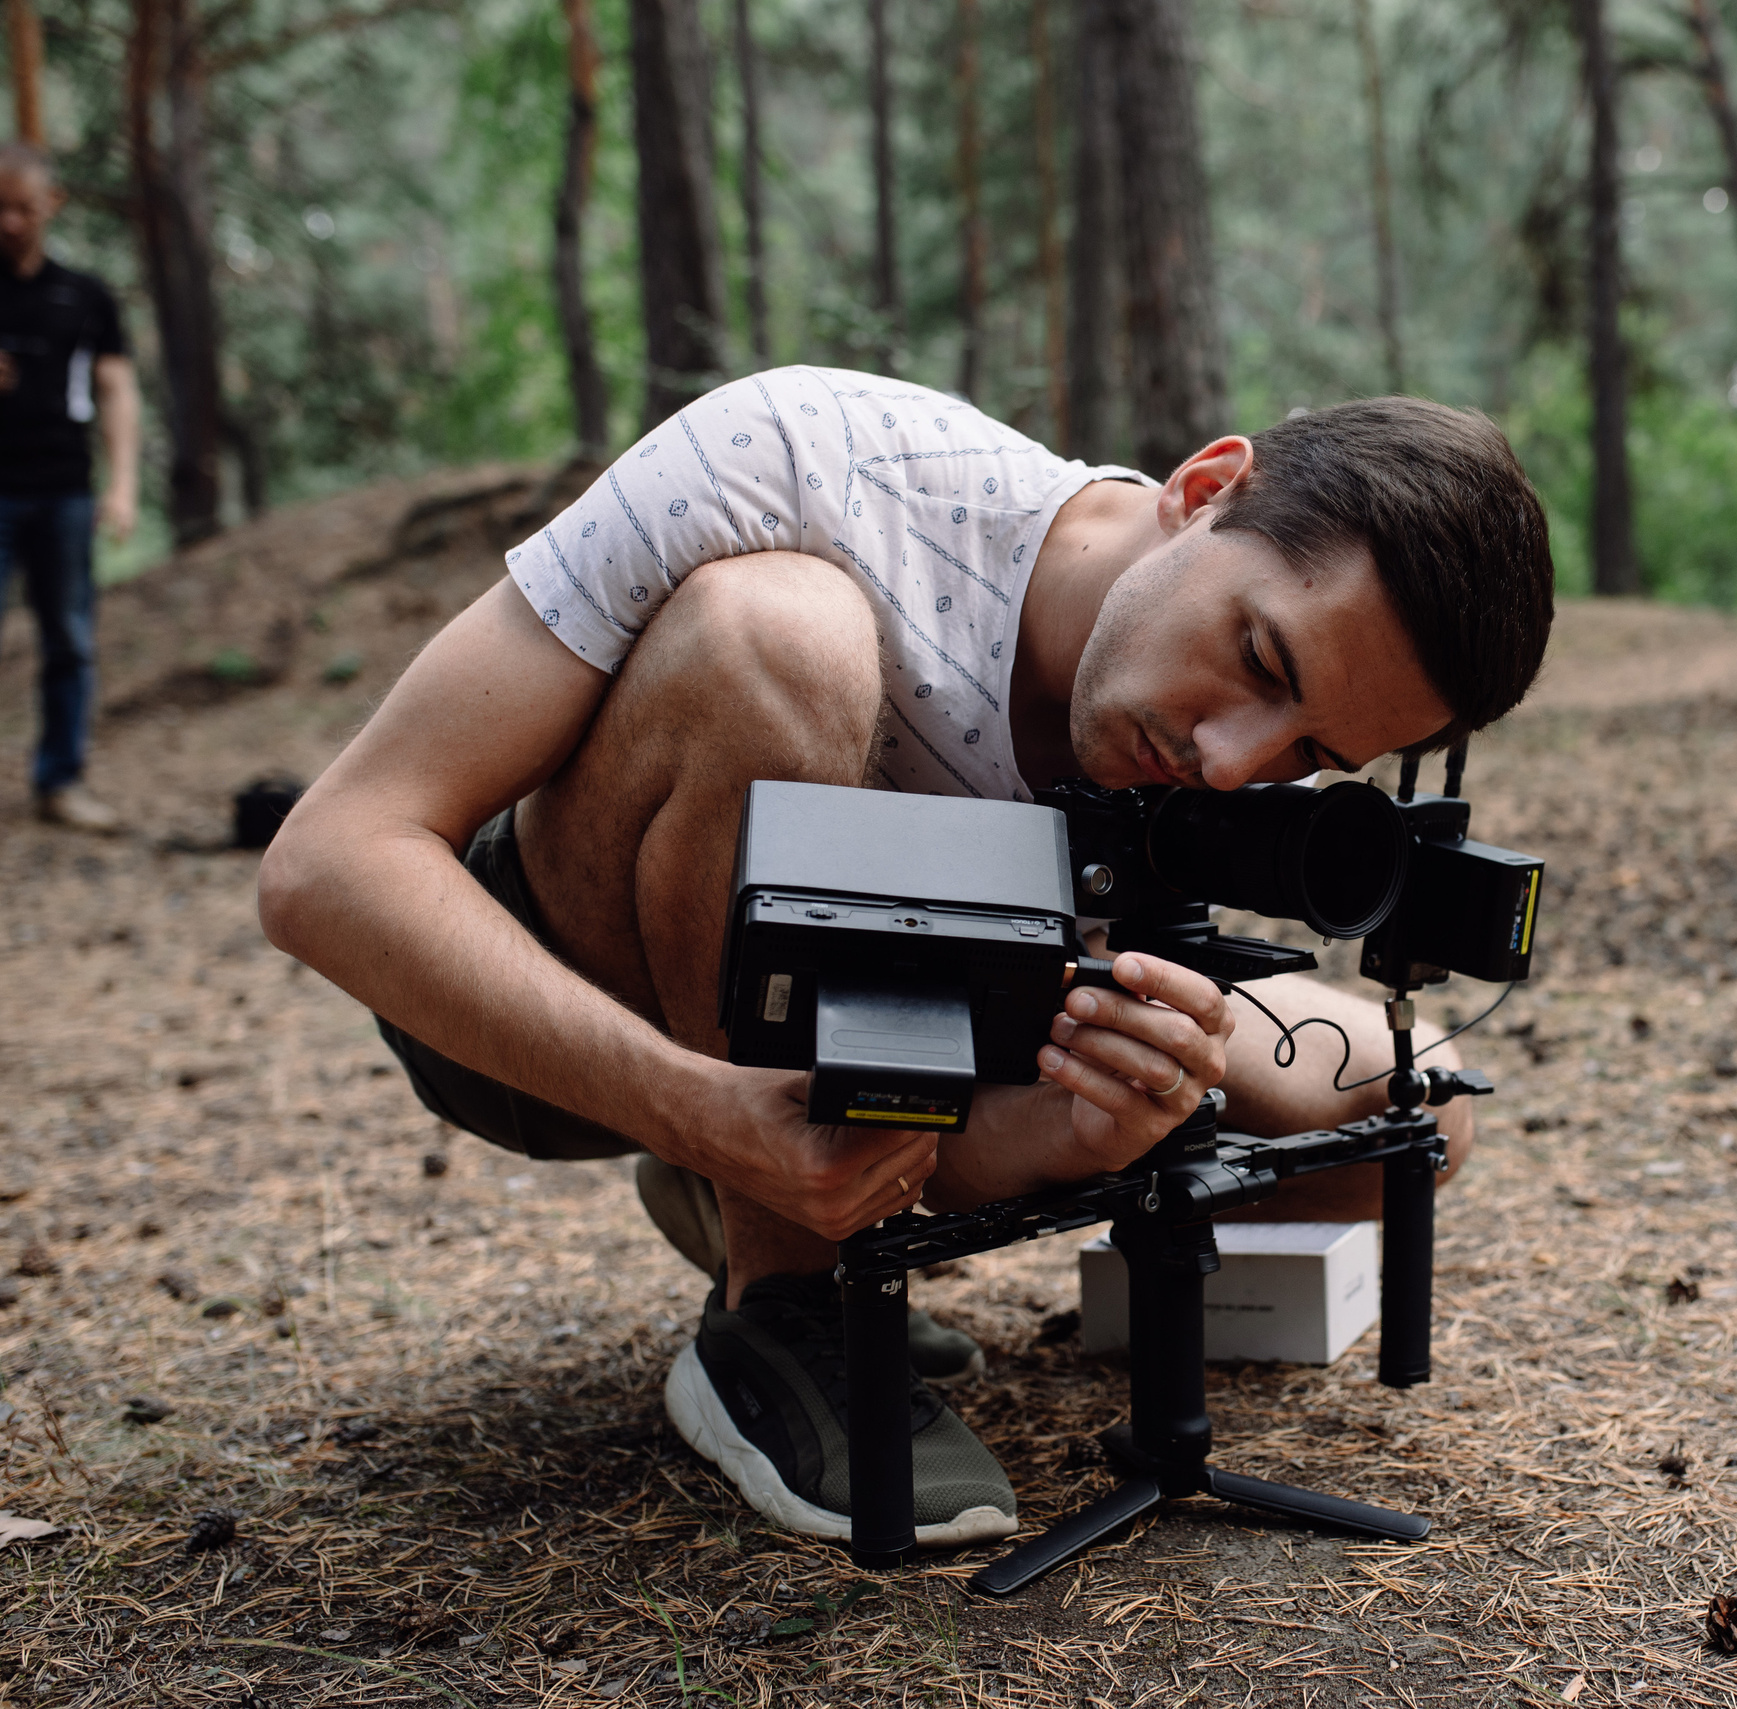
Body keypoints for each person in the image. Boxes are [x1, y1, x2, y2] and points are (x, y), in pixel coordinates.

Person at [259, 367, 1554, 1547]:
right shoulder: (813, 460)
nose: (1232, 763)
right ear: (1205, 490)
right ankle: (779, 1296)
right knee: (782, 635)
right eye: (1258, 657)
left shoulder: (1215, 757)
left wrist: (1095, 1123)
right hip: (548, 991)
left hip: (892, 1026)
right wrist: (714, 1116)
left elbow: (960, 1154)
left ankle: (783, 1184)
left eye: (1311, 755)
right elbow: (330, 863)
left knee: (1420, 1104)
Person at [0, 143, 139, 835]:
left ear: (50, 204)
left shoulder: (84, 295)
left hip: (63, 489)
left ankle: (60, 779)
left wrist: (122, 485)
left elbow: (115, 389)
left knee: (69, 639)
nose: (10, 221)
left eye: (23, 207)